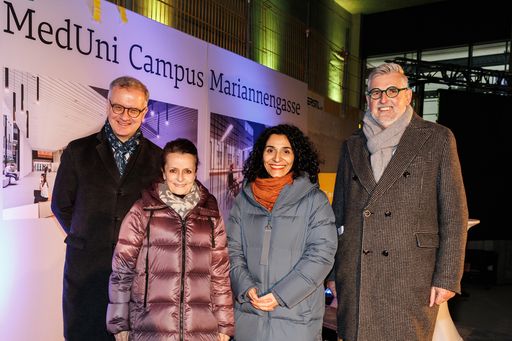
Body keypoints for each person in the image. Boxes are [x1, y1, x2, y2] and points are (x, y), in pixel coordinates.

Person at [328, 63, 468, 341]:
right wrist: (334, 270)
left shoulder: (437, 138)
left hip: (411, 272)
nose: (383, 99)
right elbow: (339, 213)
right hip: (357, 269)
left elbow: (454, 212)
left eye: (392, 90)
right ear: (367, 99)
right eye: (376, 92)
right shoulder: (352, 144)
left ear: (408, 96)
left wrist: (448, 276)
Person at [51, 76, 162, 341]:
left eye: (134, 109)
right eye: (118, 107)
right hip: (86, 274)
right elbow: (60, 204)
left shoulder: (159, 159)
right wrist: (85, 236)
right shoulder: (78, 152)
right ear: (108, 106)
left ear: (144, 112)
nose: (125, 116)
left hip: (137, 280)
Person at [106, 138, 234, 341]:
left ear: (195, 172)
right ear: (164, 172)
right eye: (174, 171)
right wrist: (119, 322)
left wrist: (225, 324)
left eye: (188, 171)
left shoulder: (210, 214)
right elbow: (122, 270)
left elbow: (220, 275)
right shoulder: (142, 211)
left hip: (200, 330)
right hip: (151, 328)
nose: (181, 178)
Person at [227, 124, 337, 341]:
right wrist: (245, 286)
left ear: (297, 156)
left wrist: (280, 296)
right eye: (270, 150)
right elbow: (231, 250)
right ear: (261, 154)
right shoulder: (243, 200)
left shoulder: (315, 201)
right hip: (251, 318)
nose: (277, 158)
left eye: (286, 151)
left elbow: (321, 255)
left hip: (296, 319)